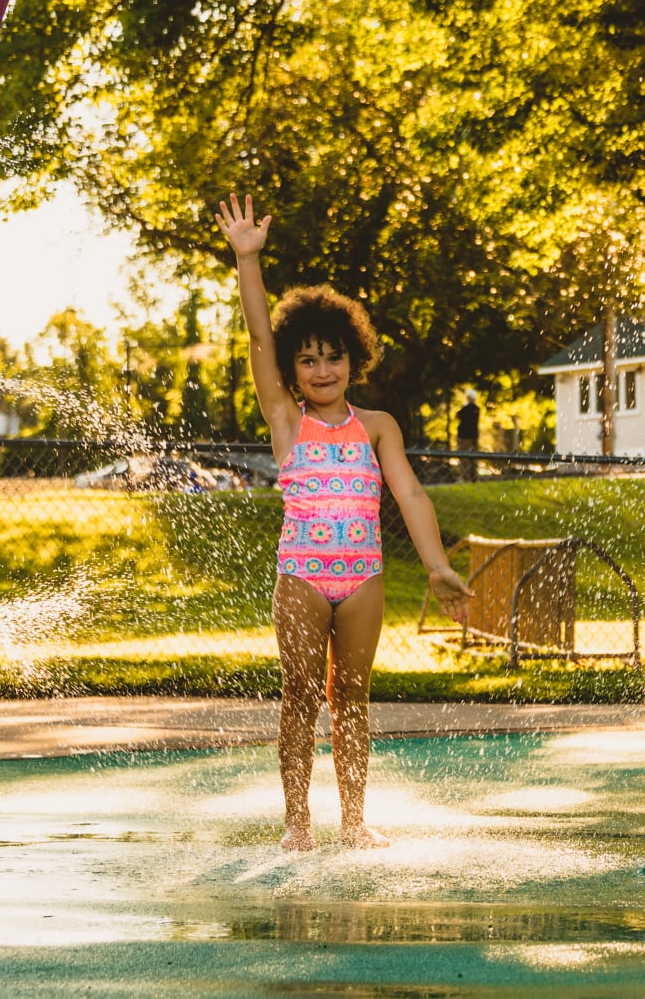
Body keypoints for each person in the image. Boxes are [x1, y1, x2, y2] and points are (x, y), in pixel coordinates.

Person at [216, 193, 473, 851]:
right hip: (302, 575)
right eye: (308, 359)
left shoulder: (378, 427)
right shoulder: (286, 419)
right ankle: (297, 822)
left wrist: (439, 563)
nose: (322, 369)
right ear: (293, 370)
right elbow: (256, 335)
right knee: (300, 696)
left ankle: (354, 819)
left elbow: (410, 495)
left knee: (352, 697)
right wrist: (248, 259)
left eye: (333, 357)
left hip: (362, 579)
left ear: (354, 360)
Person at [455, 389, 480, 482]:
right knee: (473, 458)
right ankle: (474, 477)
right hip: (474, 436)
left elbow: (457, 415)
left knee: (464, 457)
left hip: (465, 437)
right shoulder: (477, 409)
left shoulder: (466, 409)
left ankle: (466, 478)